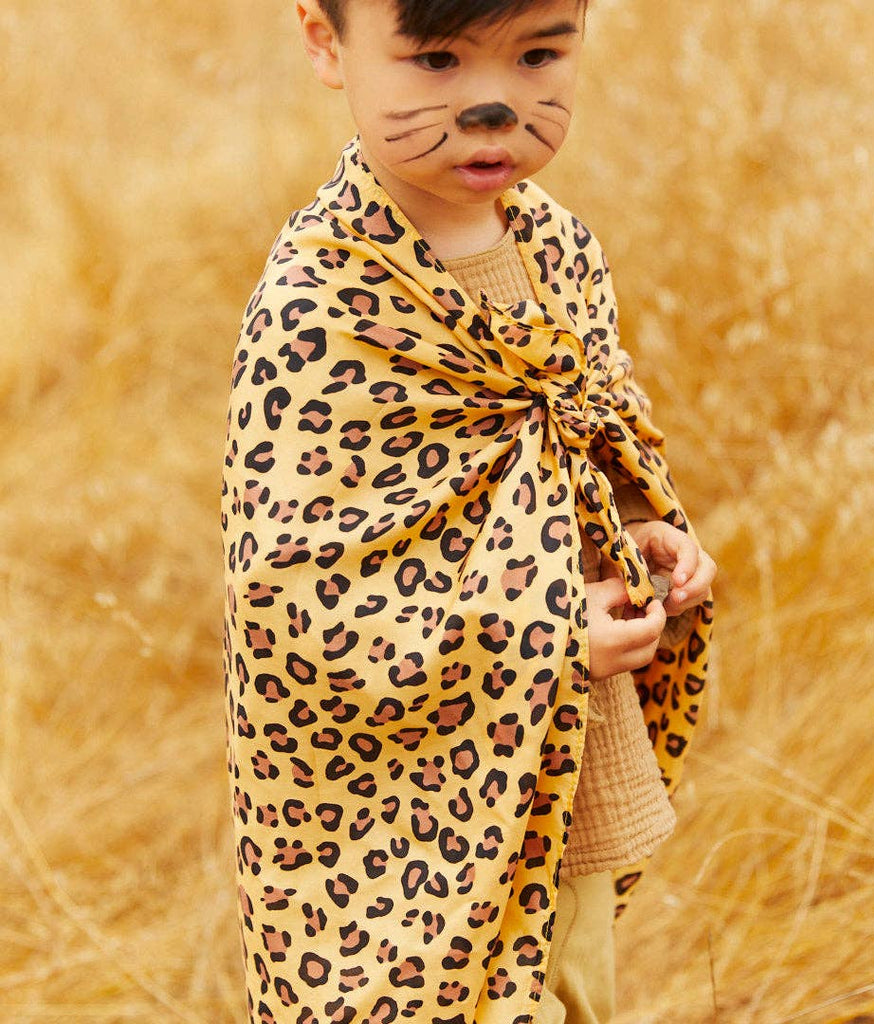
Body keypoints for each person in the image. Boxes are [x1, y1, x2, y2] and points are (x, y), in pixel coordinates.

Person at [221, 2, 716, 1022]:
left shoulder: (559, 248)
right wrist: (540, 632)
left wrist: (644, 534)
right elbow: (294, 602)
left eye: (539, 53)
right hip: (403, 824)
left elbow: (582, 442)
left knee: (574, 986)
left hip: (558, 762)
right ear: (327, 44)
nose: (492, 104)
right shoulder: (322, 301)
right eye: (436, 59)